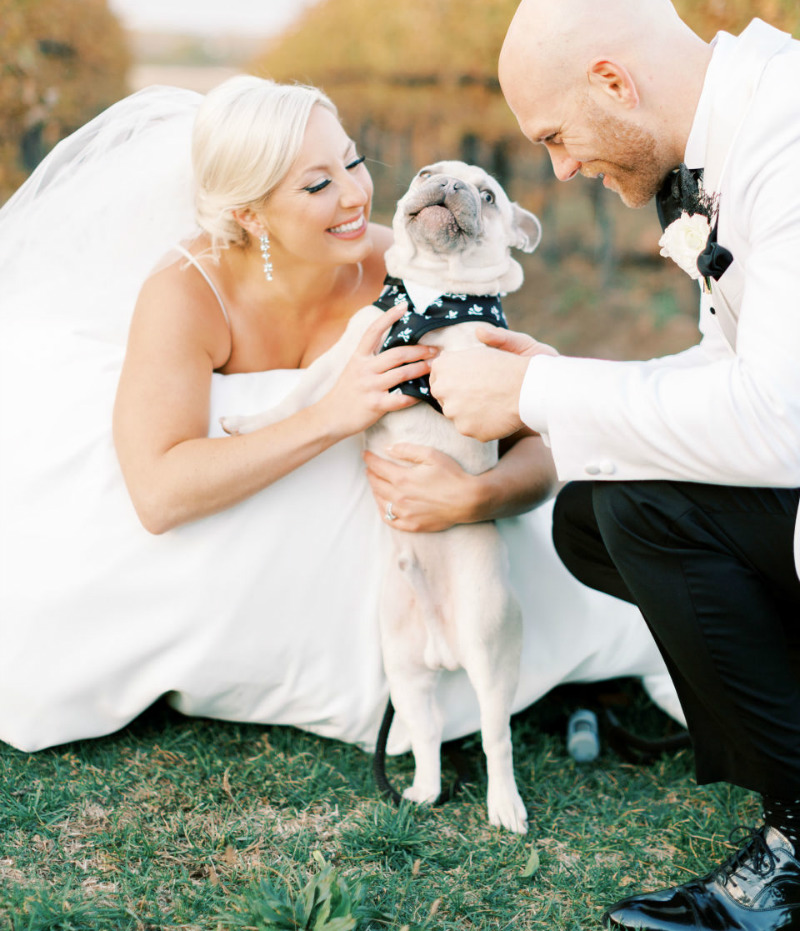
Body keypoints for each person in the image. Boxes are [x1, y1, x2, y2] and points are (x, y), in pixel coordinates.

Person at [0, 73, 678, 761]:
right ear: (251, 215)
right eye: (317, 184)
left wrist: (478, 494)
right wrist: (330, 416)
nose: (356, 193)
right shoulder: (185, 292)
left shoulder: (408, 258)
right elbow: (157, 492)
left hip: (425, 540)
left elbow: (535, 427)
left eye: (352, 160)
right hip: (244, 561)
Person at [429, 0, 800, 929]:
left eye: (554, 136)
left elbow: (779, 418)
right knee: (590, 516)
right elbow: (729, 364)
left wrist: (536, 388)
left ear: (610, 82)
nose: (555, 170)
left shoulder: (788, 135)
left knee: (632, 505)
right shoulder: (735, 130)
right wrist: (550, 378)